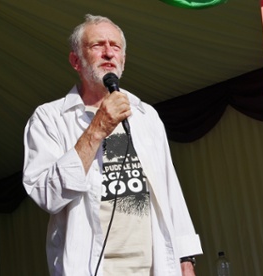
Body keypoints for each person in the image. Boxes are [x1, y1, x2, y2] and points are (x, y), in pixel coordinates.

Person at [22, 14, 202, 276]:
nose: (108, 53)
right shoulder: (49, 118)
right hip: (92, 266)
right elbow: (46, 195)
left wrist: (186, 257)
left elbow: (169, 187)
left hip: (154, 265)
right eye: (97, 45)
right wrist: (97, 128)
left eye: (115, 47)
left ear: (124, 60)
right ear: (76, 61)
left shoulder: (145, 114)